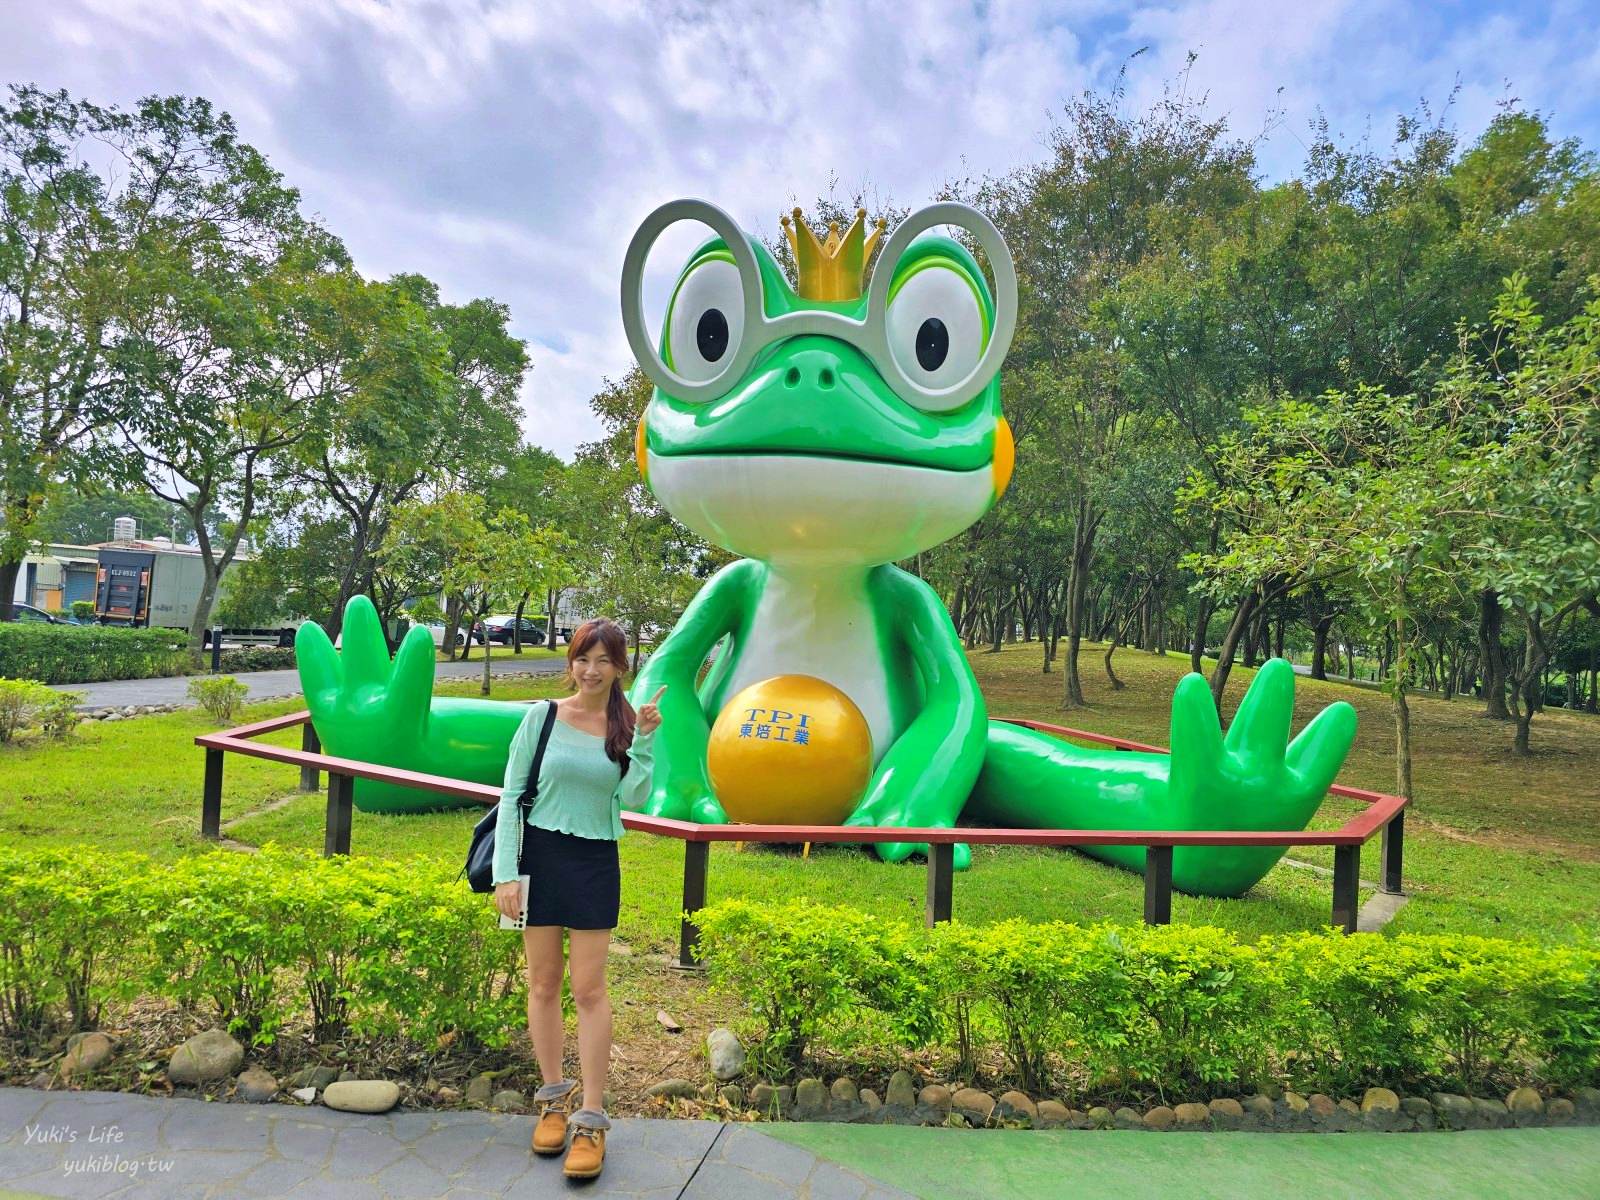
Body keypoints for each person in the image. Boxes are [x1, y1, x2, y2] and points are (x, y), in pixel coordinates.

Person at [491, 618, 663, 1181]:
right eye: (582, 660)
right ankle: (552, 1100)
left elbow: (634, 798)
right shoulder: (541, 716)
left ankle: (591, 1118)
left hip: (594, 862)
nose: (591, 672)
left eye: (603, 662)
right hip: (536, 858)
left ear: (620, 668)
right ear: (571, 662)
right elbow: (513, 796)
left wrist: (646, 740)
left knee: (589, 989)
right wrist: (507, 874)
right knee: (542, 983)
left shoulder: (628, 725)